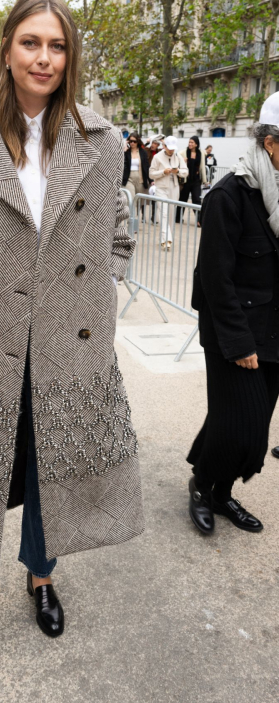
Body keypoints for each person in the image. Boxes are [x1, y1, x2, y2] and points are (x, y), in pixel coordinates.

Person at [0, 0, 143, 683]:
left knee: (54, 471)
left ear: (71, 57)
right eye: (31, 43)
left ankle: (42, 575)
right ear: (8, 51)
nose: (44, 58)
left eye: (58, 45)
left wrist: (92, 295)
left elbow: (121, 238)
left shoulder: (102, 145)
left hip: (67, 347)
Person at [187, 91, 279, 536]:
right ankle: (205, 487)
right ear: (270, 142)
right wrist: (239, 344)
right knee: (241, 426)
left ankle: (219, 488)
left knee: (250, 420)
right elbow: (214, 280)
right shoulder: (228, 195)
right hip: (233, 331)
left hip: (275, 329)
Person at [149, 136, 188, 249]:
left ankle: (166, 238)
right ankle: (166, 239)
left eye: (173, 148)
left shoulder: (178, 156)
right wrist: (163, 172)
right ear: (164, 146)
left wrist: (178, 171)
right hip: (161, 187)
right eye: (169, 148)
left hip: (174, 187)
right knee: (163, 213)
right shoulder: (157, 157)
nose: (171, 150)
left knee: (171, 213)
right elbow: (151, 174)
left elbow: (185, 172)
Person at [180, 136, 207, 219]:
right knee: (182, 199)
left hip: (196, 180)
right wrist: (182, 161)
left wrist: (205, 180)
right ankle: (178, 218)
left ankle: (199, 219)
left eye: (192, 142)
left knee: (197, 199)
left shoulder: (201, 153)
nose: (190, 144)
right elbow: (177, 161)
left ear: (196, 144)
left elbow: (202, 166)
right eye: (189, 142)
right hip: (186, 180)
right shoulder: (183, 153)